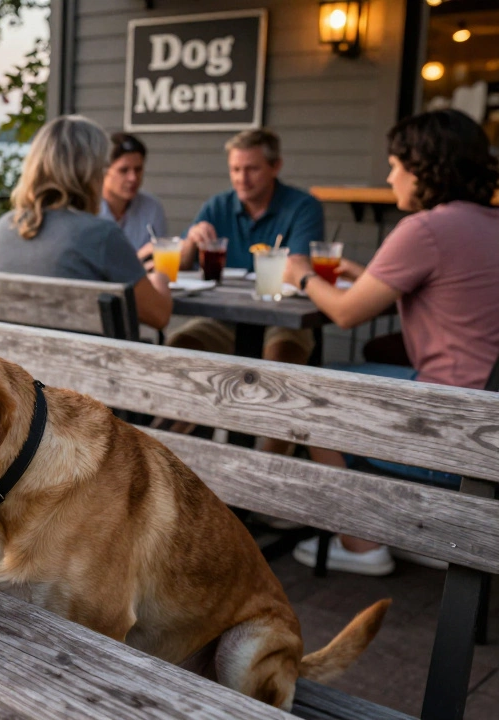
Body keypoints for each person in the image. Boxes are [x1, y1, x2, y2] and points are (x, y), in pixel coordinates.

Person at [284, 109, 499, 575]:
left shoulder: (425, 229)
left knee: (306, 394)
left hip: (456, 430)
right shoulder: (489, 222)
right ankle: (420, 531)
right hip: (489, 418)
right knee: (365, 367)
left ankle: (362, 546)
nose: (389, 176)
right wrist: (369, 279)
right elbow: (450, 294)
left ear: (424, 168)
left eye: (396, 165)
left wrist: (299, 273)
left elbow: (344, 313)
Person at [0, 115, 173, 331]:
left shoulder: (2, 227)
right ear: (90, 172)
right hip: (80, 363)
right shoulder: (101, 235)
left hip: (7, 361)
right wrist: (160, 279)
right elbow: (159, 315)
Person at [167, 128, 324, 370]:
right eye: (235, 169)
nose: (242, 178)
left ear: (275, 166)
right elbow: (181, 266)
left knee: (280, 361)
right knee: (177, 350)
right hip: (223, 317)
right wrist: (190, 243)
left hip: (284, 317)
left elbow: (297, 266)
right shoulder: (218, 206)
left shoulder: (303, 207)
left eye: (252, 168)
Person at [98, 132, 167, 254]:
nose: (133, 178)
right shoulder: (87, 210)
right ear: (103, 172)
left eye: (138, 169)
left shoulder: (152, 208)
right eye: (124, 170)